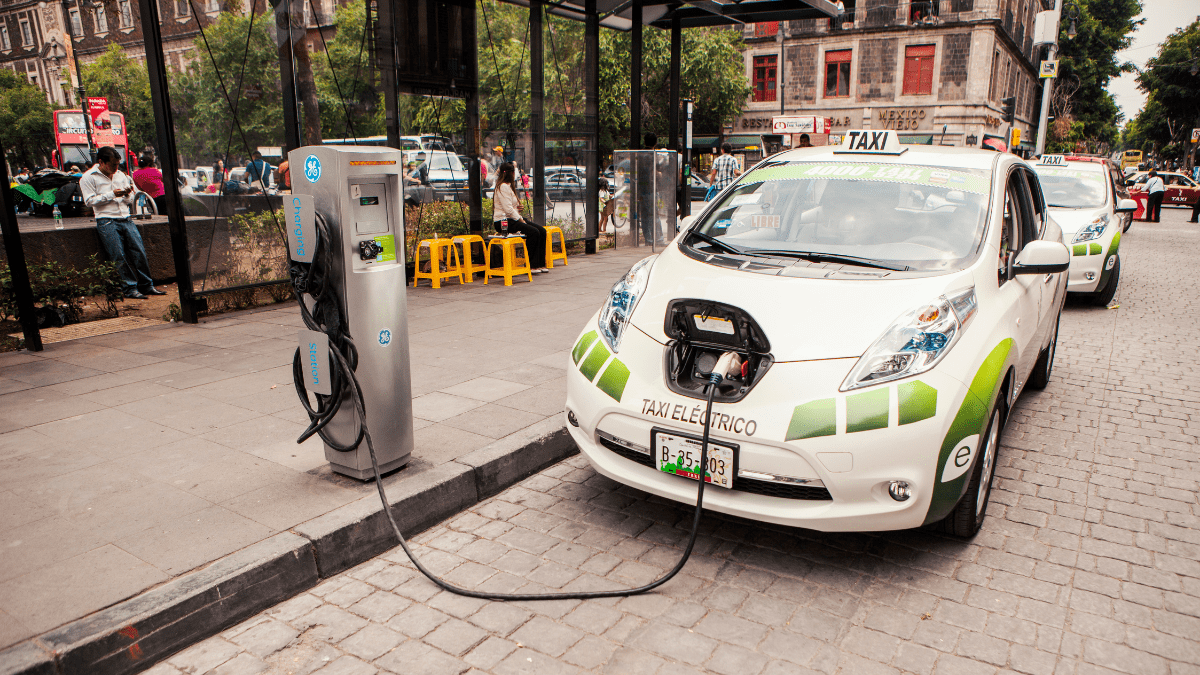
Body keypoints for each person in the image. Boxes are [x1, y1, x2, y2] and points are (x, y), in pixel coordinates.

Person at [79, 146, 164, 299]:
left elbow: (131, 198)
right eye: (112, 165)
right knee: (118, 255)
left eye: (118, 164)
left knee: (139, 252)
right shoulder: (88, 177)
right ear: (102, 162)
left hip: (125, 217)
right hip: (106, 219)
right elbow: (89, 201)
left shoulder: (121, 175)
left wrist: (126, 195)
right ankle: (129, 288)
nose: (116, 168)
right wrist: (112, 194)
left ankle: (147, 285)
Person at [492, 162, 548, 274]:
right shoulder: (503, 187)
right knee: (533, 232)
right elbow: (507, 210)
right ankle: (531, 265)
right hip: (503, 221)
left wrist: (518, 208)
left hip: (512, 219)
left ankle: (540, 263)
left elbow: (510, 207)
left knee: (542, 231)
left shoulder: (507, 187)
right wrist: (521, 219)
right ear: (511, 174)